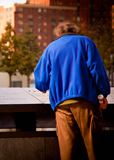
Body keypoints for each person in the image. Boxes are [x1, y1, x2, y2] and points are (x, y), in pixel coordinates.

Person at [34, 21, 110, 160]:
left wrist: (43, 87)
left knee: (66, 150)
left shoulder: (51, 48)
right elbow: (97, 71)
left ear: (58, 33)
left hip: (61, 105)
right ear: (75, 32)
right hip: (85, 101)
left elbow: (40, 81)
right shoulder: (85, 42)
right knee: (93, 148)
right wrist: (103, 93)